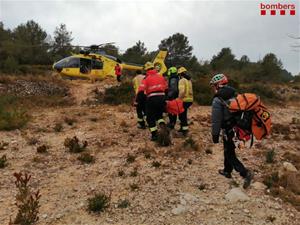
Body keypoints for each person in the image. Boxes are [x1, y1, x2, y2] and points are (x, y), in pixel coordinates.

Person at [210, 73, 253, 189]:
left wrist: (214, 134)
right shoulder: (235, 94)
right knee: (228, 149)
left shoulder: (218, 99)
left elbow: (216, 119)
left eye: (214, 85)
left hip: (228, 129)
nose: (213, 88)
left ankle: (245, 173)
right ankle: (227, 171)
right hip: (237, 128)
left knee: (229, 153)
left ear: (218, 85)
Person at [139, 62, 168, 141]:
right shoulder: (161, 77)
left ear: (146, 70)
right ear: (153, 68)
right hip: (162, 97)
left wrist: (138, 102)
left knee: (150, 117)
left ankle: (154, 135)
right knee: (159, 115)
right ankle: (162, 125)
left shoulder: (146, 78)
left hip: (151, 98)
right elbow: (166, 88)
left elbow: (141, 91)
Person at [177, 67, 193, 135]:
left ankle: (184, 131)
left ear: (180, 74)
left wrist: (178, 99)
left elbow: (182, 91)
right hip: (190, 100)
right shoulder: (189, 80)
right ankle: (183, 128)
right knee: (183, 115)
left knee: (182, 115)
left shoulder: (182, 80)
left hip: (184, 100)